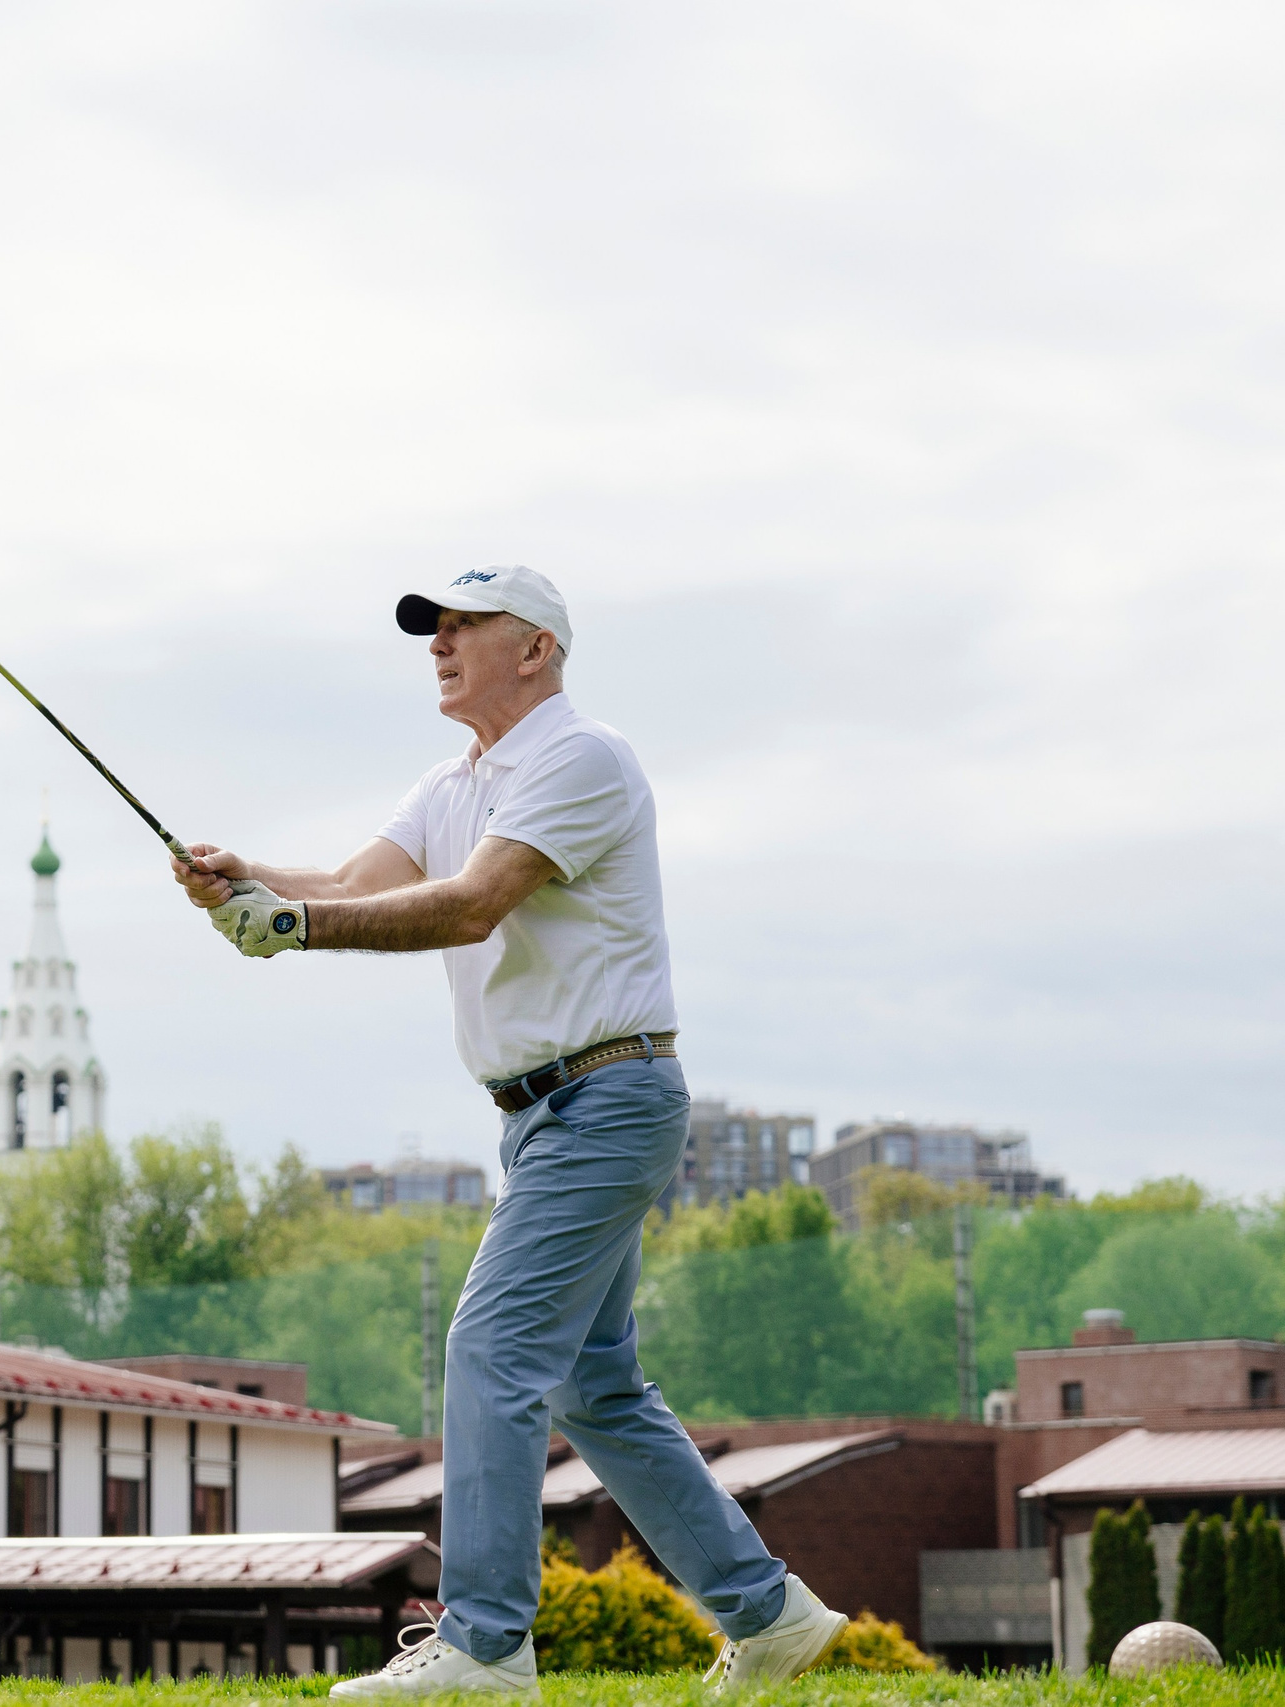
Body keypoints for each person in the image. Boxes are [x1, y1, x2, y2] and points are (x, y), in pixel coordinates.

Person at [174, 567, 848, 1698]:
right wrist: (245, 878)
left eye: (460, 625)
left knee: (491, 1349)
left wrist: (292, 926)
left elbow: (470, 902)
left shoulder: (583, 758)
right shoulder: (453, 781)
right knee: (596, 1388)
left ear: (533, 648)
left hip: (607, 1097)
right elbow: (349, 881)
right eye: (429, 629)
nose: (436, 643)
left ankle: (485, 1647)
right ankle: (768, 1614)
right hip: (543, 1120)